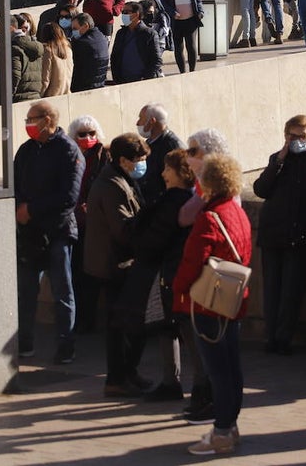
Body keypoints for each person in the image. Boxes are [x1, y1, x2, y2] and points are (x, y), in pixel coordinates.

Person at [173, 154, 252, 456]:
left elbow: (192, 262)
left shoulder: (210, 216)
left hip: (209, 302)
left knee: (217, 370)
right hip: (233, 298)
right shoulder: (236, 210)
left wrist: (179, 290)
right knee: (231, 367)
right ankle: (229, 426)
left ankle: (221, 431)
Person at [14, 101, 84, 365]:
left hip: (58, 231)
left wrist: (32, 209)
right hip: (30, 233)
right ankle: (24, 342)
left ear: (47, 120)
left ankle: (66, 344)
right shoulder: (26, 151)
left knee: (62, 291)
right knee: (26, 291)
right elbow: (15, 183)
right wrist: (21, 208)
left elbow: (69, 197)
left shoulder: (69, 151)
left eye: (32, 119)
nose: (28, 124)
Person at [253, 115, 306, 356]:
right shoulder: (278, 159)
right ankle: (270, 337)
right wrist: (279, 161)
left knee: (291, 291)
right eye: (291, 136)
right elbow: (261, 189)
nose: (295, 141)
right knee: (272, 289)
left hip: (300, 234)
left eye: (300, 136)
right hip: (273, 232)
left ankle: (284, 338)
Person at [84, 133, 150, 397]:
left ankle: (127, 373)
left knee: (126, 325)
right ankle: (117, 378)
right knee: (121, 326)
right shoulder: (113, 185)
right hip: (115, 264)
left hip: (117, 263)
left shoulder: (121, 179)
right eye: (139, 160)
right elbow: (122, 229)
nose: (142, 164)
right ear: (123, 160)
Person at [130, 149, 195, 402]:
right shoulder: (188, 199)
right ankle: (175, 381)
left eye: (169, 169)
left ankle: (189, 382)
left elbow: (156, 237)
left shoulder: (174, 201)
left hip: (172, 271)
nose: (163, 173)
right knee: (169, 327)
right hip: (171, 269)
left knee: (179, 328)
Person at [69, 114, 108, 334]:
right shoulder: (70, 156)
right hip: (74, 223)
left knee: (91, 277)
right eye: (82, 134)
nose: (87, 138)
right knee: (75, 274)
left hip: (94, 225)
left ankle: (88, 321)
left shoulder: (103, 156)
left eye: (91, 133)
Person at [160, 0, 205, 72]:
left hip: (191, 20)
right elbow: (163, 1)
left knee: (191, 46)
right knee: (179, 48)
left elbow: (198, 0)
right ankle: (182, 71)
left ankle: (192, 70)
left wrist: (200, 12)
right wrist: (172, 12)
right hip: (177, 21)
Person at [136, 103, 183, 200]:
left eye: (141, 118)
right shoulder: (149, 143)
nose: (137, 123)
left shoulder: (172, 145)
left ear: (152, 121)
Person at [110, 2, 162, 84]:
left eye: (126, 12)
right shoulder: (121, 33)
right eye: (123, 12)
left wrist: (146, 78)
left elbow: (156, 60)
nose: (123, 15)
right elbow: (114, 57)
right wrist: (117, 78)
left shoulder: (149, 34)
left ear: (137, 14)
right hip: (123, 81)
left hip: (142, 82)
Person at [70, 13, 109, 92]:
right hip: (99, 84)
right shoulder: (101, 37)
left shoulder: (81, 43)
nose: (73, 32)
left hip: (83, 87)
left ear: (85, 26)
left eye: (75, 28)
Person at [8, 14, 43, 102]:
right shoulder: (35, 45)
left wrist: (7, 97)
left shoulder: (14, 48)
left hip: (18, 98)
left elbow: (15, 75)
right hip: (35, 95)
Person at [39, 20, 74, 98]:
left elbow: (45, 79)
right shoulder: (68, 50)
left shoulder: (48, 50)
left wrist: (38, 96)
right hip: (66, 94)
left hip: (51, 96)